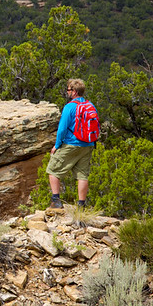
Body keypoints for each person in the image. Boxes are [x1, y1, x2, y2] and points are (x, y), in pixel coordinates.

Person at [46, 78, 96, 210]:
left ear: (74, 92)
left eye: (68, 90)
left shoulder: (69, 107)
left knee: (53, 170)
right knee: (82, 175)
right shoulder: (90, 105)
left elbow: (62, 128)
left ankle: (56, 201)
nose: (67, 92)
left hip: (71, 144)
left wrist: (57, 145)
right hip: (88, 144)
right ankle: (81, 206)